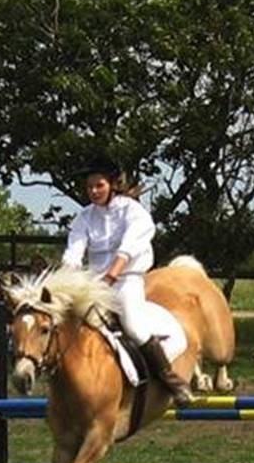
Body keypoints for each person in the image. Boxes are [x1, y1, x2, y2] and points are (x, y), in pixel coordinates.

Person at [61, 156, 192, 406]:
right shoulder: (84, 217)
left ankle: (170, 380)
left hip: (126, 280)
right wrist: (66, 278)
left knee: (132, 325)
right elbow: (74, 251)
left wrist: (111, 275)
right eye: (89, 187)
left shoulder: (133, 211)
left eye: (99, 185)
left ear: (112, 184)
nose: (93, 191)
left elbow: (129, 248)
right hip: (94, 283)